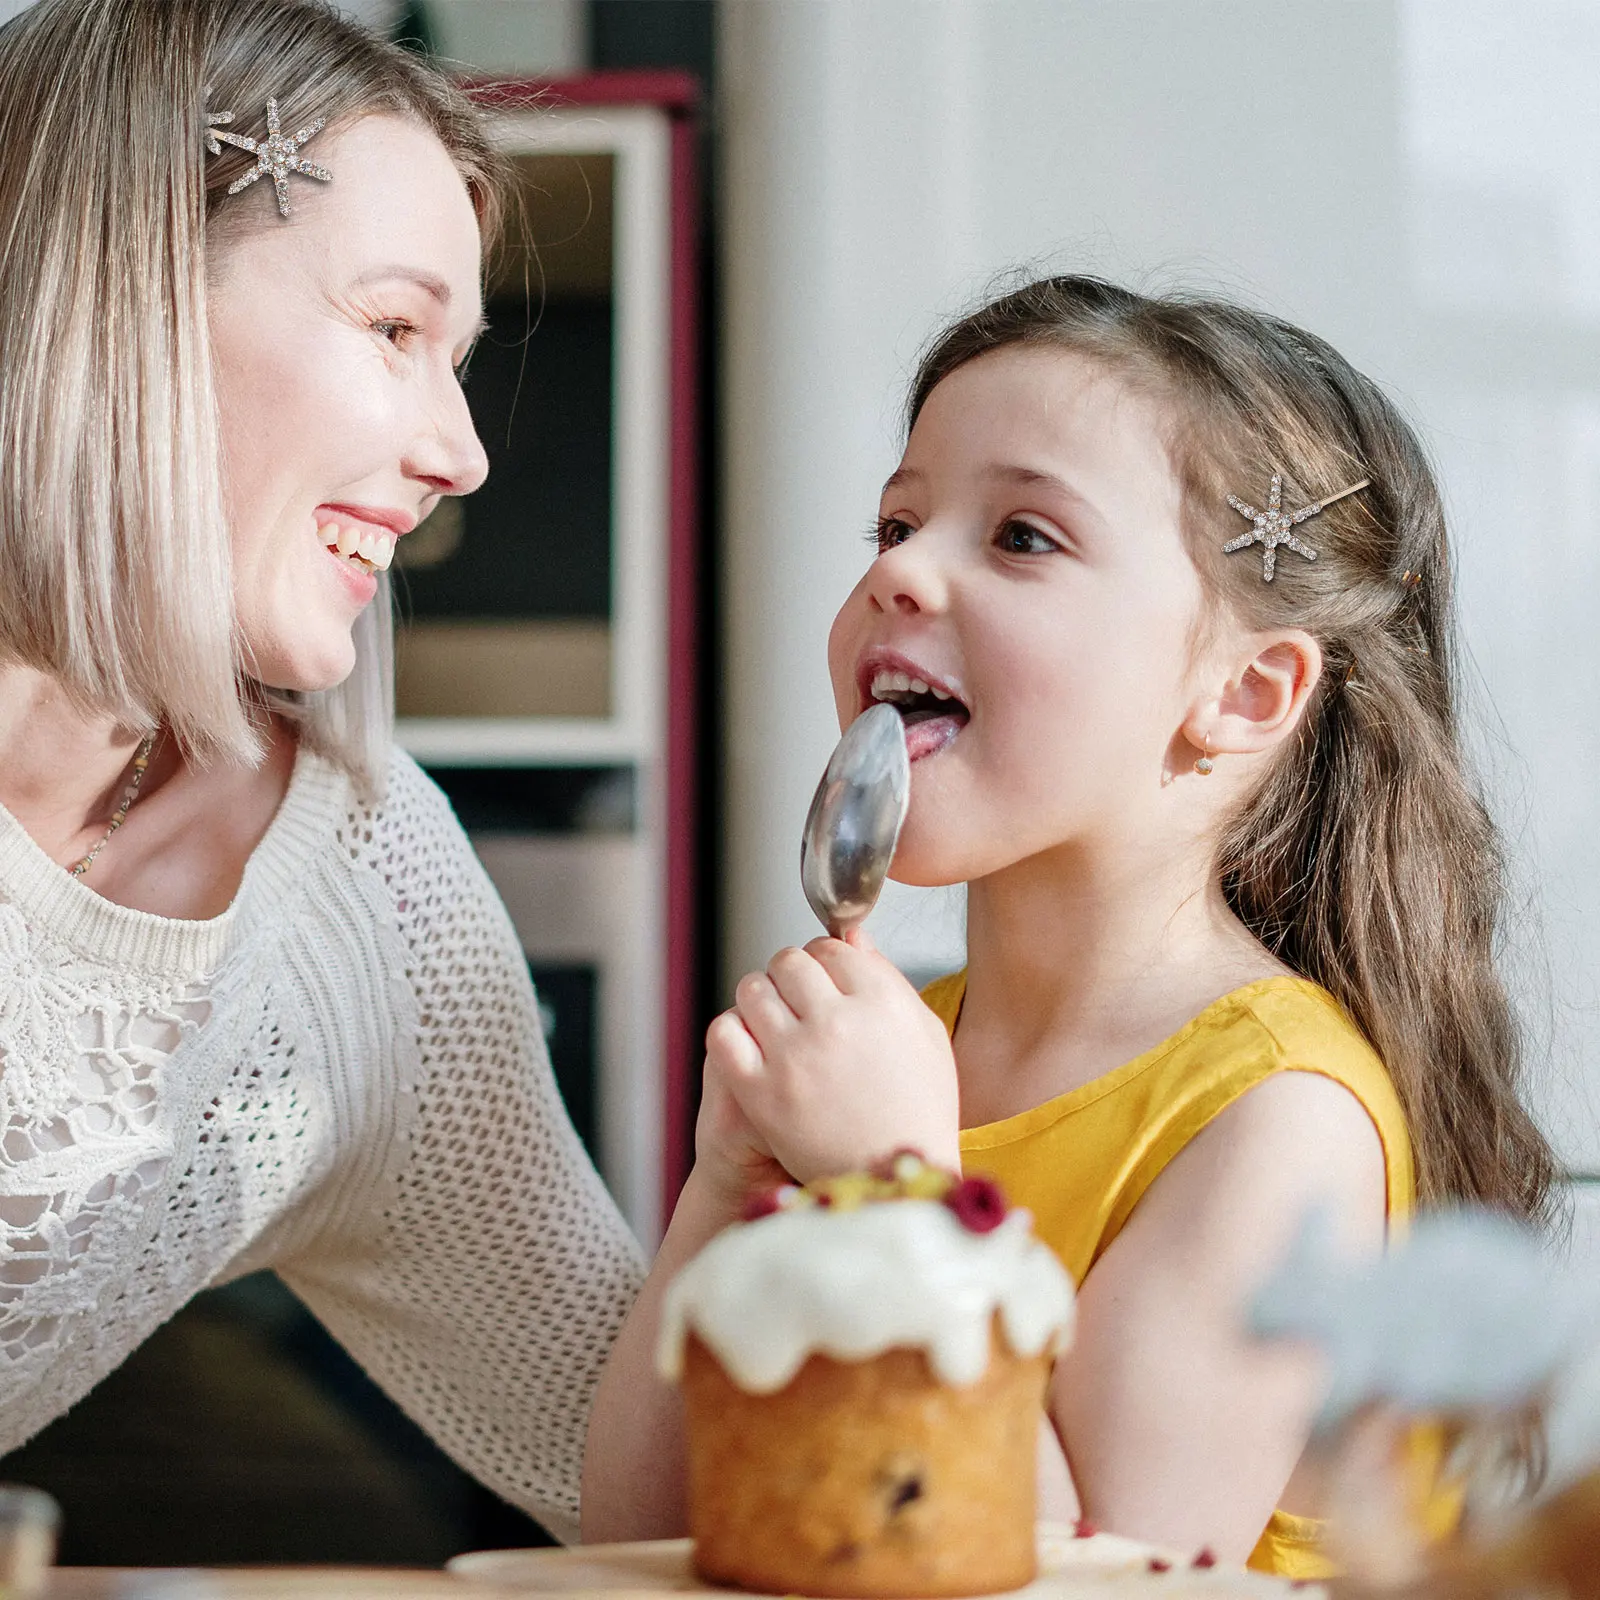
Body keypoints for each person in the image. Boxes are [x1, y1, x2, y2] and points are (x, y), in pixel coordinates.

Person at [586, 277, 1558, 1575]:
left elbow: (1106, 1577)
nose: (897, 571)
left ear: (1245, 690)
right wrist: (738, 1183)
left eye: (1024, 538)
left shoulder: (1278, 1116)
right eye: (894, 521)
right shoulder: (909, 1059)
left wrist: (896, 1198)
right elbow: (636, 1537)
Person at [0, 0, 649, 1546]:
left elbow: (651, 1493)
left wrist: (807, 1173)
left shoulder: (360, 899)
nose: (461, 452)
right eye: (394, 330)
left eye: (460, 359)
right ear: (126, 289)